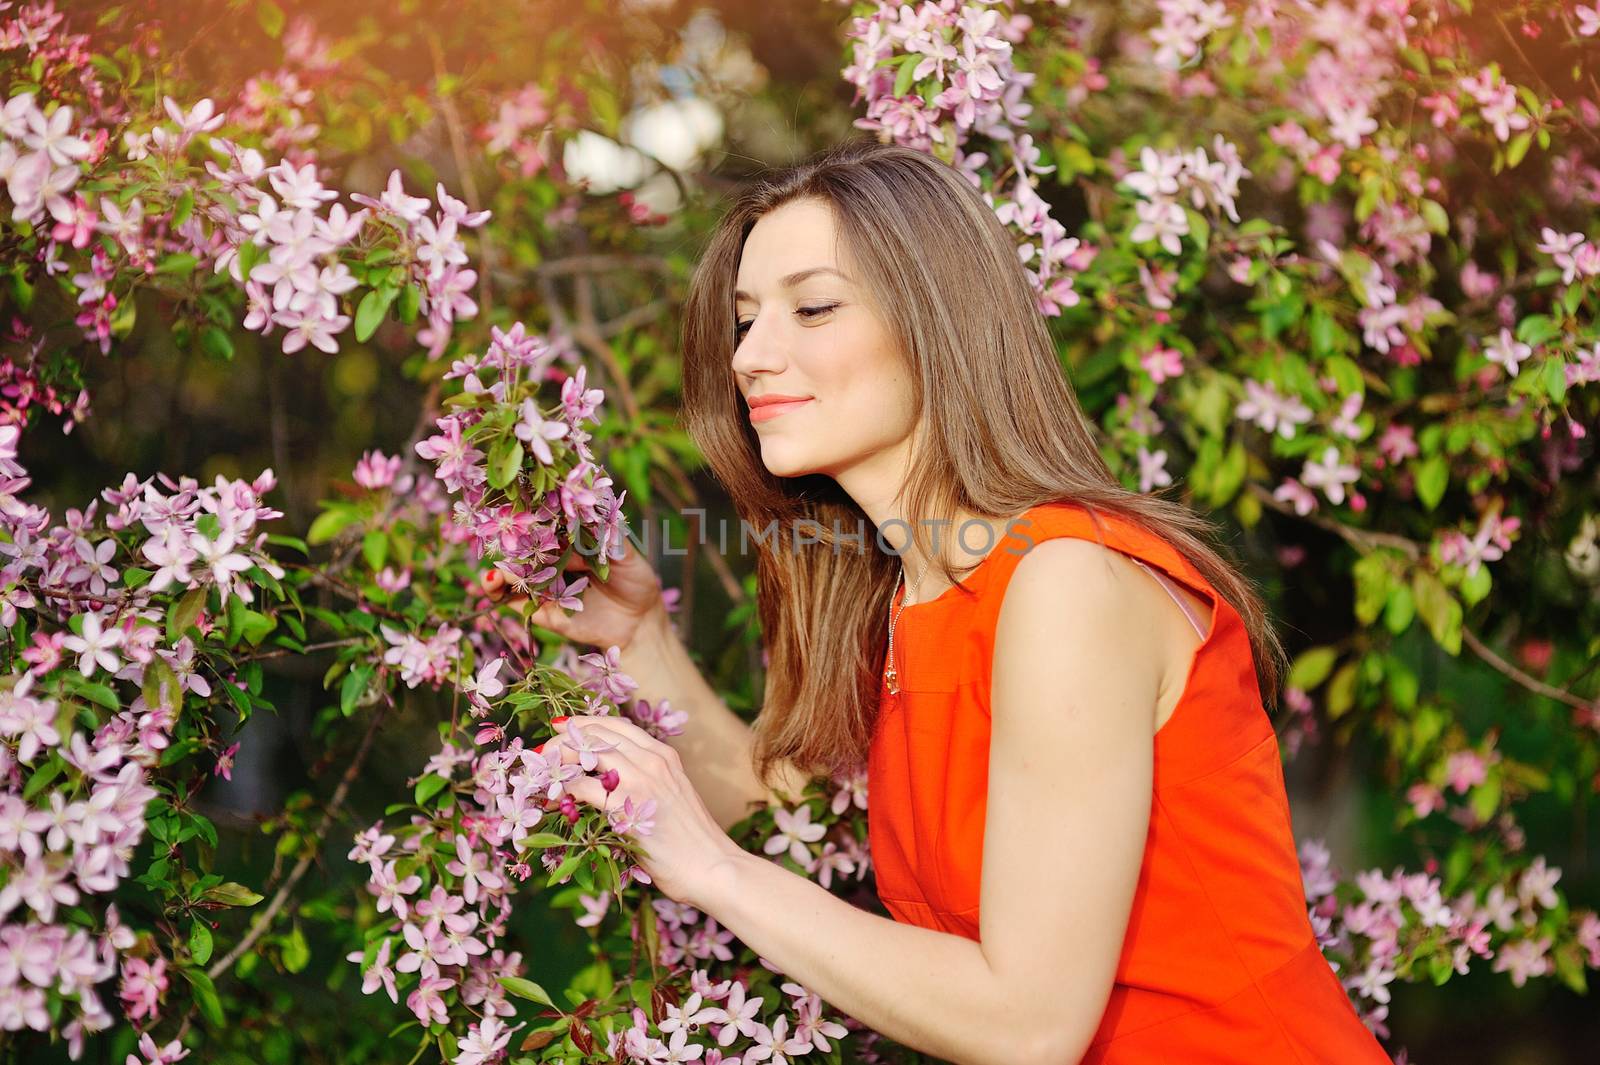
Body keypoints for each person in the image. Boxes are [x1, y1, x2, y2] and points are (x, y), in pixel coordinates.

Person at [491, 139, 1392, 1064]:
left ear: (938, 322)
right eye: (744, 319)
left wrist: (717, 873)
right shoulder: (910, 593)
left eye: (813, 307)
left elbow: (1029, 1024)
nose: (752, 356)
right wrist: (639, 638)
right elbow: (775, 799)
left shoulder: (1065, 580)